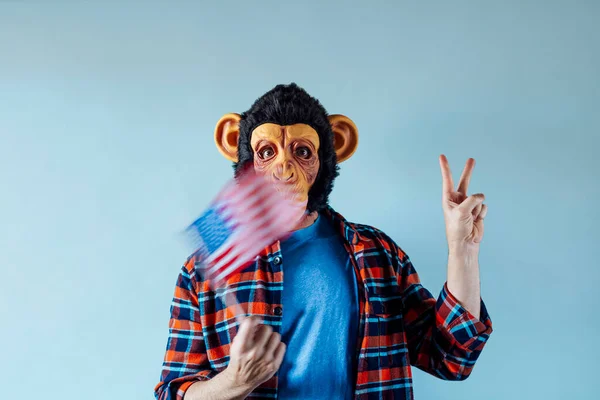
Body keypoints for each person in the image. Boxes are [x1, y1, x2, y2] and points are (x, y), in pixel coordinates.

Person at [154, 83, 493, 400]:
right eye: (267, 151)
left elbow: (451, 359)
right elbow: (174, 391)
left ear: (335, 146)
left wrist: (463, 250)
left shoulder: (377, 254)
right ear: (240, 152)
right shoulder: (204, 269)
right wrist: (235, 382)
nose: (283, 167)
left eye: (302, 151)